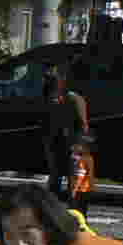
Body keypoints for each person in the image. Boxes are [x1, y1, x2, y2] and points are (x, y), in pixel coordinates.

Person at [44, 64, 90, 203]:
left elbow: (83, 125)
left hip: (72, 142)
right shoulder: (53, 98)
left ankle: (73, 205)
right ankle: (51, 205)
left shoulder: (74, 99)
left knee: (73, 178)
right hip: (56, 141)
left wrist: (78, 145)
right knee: (55, 177)